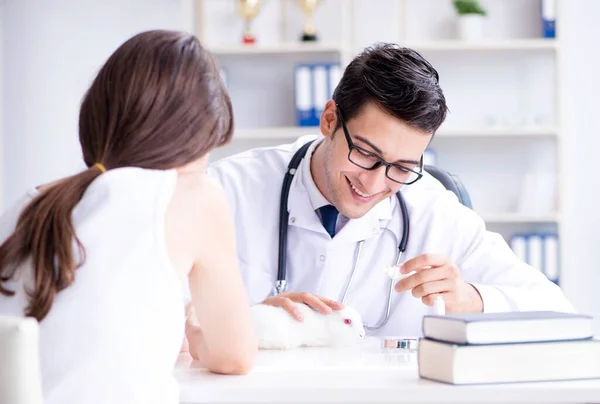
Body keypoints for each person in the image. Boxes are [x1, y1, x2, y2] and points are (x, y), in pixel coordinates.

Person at [207, 43, 575, 337]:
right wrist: (244, 322)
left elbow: (559, 313)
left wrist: (470, 298)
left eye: (401, 167)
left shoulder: (431, 209)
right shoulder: (228, 190)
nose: (374, 183)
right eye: (365, 153)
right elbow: (162, 311)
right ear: (329, 119)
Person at [0, 30, 257, 403]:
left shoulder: (32, 203)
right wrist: (192, 330)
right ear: (191, 138)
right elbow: (235, 356)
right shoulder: (194, 195)